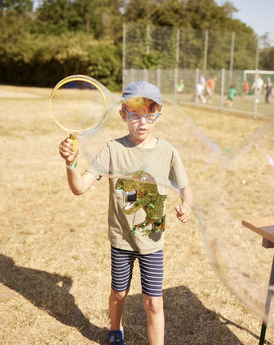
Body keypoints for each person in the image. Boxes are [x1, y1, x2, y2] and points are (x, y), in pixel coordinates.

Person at [58, 81, 193, 345]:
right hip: (121, 242)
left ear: (159, 113)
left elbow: (185, 187)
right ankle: (115, 329)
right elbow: (79, 187)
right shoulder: (112, 150)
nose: (142, 122)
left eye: (149, 114)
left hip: (152, 244)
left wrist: (186, 205)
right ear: (123, 115)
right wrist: (70, 163)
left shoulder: (168, 152)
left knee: (153, 302)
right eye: (135, 114)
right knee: (119, 293)